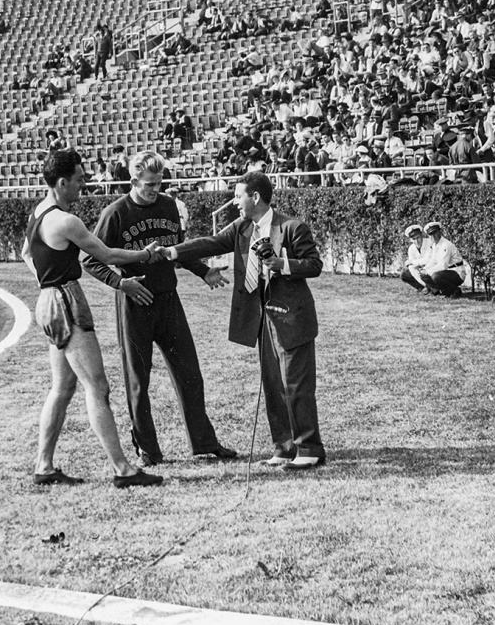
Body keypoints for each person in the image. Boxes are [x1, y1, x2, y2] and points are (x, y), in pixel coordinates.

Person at [83, 151, 238, 467]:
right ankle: (148, 450)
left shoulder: (168, 206)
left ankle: (204, 443)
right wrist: (120, 283)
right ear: (133, 181)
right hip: (135, 303)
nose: (155, 189)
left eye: (159, 183)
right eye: (149, 184)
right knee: (138, 380)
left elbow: (176, 250)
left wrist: (202, 270)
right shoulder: (115, 214)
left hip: (168, 300)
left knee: (190, 374)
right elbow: (90, 259)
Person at [21, 148, 164, 488]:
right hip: (66, 301)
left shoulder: (38, 213)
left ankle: (44, 466)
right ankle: (123, 470)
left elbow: (27, 252)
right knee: (96, 386)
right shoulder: (66, 221)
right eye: (80, 180)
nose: (84, 185)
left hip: (48, 300)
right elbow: (106, 253)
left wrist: (46, 281)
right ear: (61, 182)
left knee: (63, 386)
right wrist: (146, 253)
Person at [167, 173, 327, 469]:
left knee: (296, 384)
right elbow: (211, 243)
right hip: (263, 319)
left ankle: (309, 449)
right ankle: (284, 446)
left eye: (239, 195)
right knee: (273, 383)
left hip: (293, 318)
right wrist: (174, 251)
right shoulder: (242, 227)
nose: (235, 201)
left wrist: (283, 264)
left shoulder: (291, 227)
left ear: (255, 197)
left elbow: (315, 265)